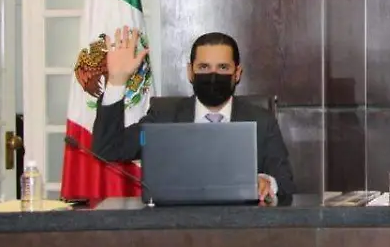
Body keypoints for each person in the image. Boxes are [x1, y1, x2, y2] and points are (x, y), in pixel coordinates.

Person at [92, 26, 295, 203]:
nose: (213, 75)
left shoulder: (262, 121)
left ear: (237, 73)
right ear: (190, 72)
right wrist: (117, 82)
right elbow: (108, 149)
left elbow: (286, 183)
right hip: (177, 228)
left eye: (223, 67)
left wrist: (267, 182)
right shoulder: (164, 117)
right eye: (204, 67)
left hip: (241, 228)